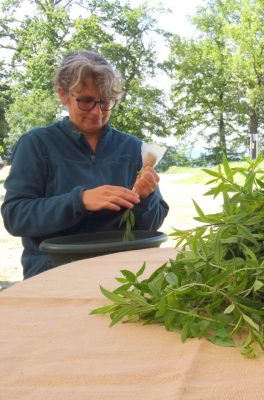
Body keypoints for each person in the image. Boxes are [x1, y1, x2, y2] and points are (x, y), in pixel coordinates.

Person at [1, 50, 169, 279]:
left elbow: (149, 227)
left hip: (121, 274)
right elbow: (16, 216)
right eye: (86, 101)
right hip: (54, 272)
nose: (97, 112)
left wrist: (147, 200)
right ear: (63, 93)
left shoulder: (132, 148)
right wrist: (80, 201)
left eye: (105, 103)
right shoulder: (37, 144)